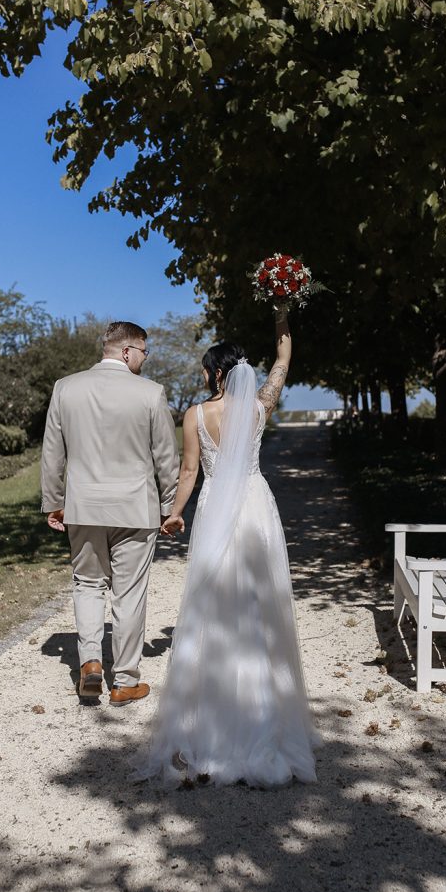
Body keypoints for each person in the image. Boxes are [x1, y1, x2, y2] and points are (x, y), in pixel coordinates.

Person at [132, 306, 320, 788]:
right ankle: (266, 714)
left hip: (217, 507)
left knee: (214, 601)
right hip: (256, 503)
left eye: (203, 368)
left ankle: (214, 719)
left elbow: (190, 472)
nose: (200, 374)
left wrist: (174, 513)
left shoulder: (195, 414)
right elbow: (283, 362)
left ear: (215, 372)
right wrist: (281, 316)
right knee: (261, 601)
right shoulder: (260, 407)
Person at [40, 321, 180, 706]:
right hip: (136, 508)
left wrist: (54, 500)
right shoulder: (151, 394)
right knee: (129, 593)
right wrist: (170, 506)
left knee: (87, 584)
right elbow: (166, 456)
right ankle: (125, 679)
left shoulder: (66, 388)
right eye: (143, 352)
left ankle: (89, 664)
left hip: (84, 506)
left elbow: (53, 451)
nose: (144, 360)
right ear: (126, 350)